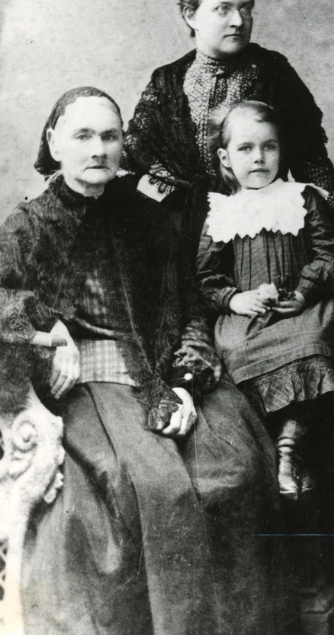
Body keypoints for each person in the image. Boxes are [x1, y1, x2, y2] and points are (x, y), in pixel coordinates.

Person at [0, 87, 286, 635]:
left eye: (110, 137)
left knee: (235, 472)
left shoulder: (151, 221)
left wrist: (184, 383)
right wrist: (46, 327)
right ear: (54, 143)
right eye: (83, 136)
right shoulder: (28, 225)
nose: (98, 149)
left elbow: (190, 310)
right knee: (144, 486)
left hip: (161, 374)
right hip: (83, 388)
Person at [122, 0, 334, 264]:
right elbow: (131, 159)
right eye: (223, 9)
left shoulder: (274, 74)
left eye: (246, 8)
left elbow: (311, 161)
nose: (238, 21)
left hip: (260, 236)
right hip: (179, 239)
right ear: (190, 15)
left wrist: (325, 224)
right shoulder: (167, 82)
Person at [196, 100, 334, 501]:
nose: (259, 158)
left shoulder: (303, 198)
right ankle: (282, 454)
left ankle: (289, 451)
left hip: (300, 309)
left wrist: (303, 292)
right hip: (250, 317)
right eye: (246, 148)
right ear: (225, 158)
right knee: (233, 347)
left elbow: (329, 253)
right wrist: (235, 299)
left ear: (282, 150)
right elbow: (206, 278)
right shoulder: (222, 212)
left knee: (315, 338)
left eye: (269, 147)